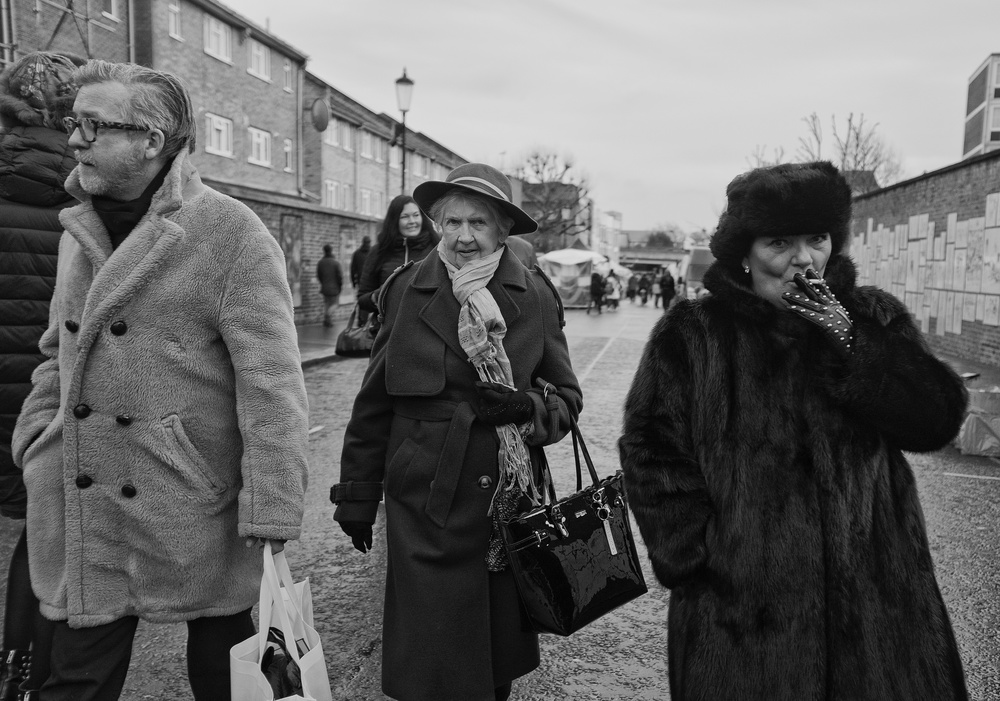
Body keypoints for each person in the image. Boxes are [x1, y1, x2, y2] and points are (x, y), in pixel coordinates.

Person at [10, 60, 309, 701]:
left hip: (192, 497)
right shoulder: (77, 228)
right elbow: (52, 352)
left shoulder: (229, 233)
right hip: (87, 493)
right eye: (73, 122)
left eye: (95, 124)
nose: (74, 139)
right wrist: (37, 438)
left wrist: (273, 503)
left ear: (152, 140)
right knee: (73, 679)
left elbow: (272, 380)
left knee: (229, 677)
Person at [619, 161, 969, 701]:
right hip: (742, 622)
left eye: (817, 239)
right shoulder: (693, 335)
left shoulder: (873, 315)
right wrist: (698, 558)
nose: (803, 259)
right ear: (745, 252)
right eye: (779, 242)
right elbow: (650, 451)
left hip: (879, 610)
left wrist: (852, 342)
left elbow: (936, 420)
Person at [331, 163, 582, 701]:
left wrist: (525, 405)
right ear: (436, 225)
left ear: (502, 230)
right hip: (423, 496)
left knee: (492, 664)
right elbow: (374, 402)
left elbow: (568, 401)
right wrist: (356, 494)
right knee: (429, 659)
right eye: (451, 222)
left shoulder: (534, 294)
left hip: (503, 509)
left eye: (478, 223)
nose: (463, 236)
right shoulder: (404, 289)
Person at [0, 49, 86, 701]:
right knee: (46, 530)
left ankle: (16, 665)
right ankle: (36, 665)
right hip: (46, 391)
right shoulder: (82, 189)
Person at [356, 194, 439, 315]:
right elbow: (362, 300)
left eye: (416, 215)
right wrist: (380, 294)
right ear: (394, 220)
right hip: (389, 331)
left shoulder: (437, 247)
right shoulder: (379, 251)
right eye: (405, 217)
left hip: (428, 328)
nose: (412, 221)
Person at [317, 243, 344, 327]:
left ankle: (327, 321)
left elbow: (319, 275)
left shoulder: (321, 262)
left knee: (327, 303)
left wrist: (323, 283)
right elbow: (339, 276)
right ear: (331, 251)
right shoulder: (335, 263)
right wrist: (340, 285)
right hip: (334, 287)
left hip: (324, 287)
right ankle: (327, 316)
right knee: (336, 304)